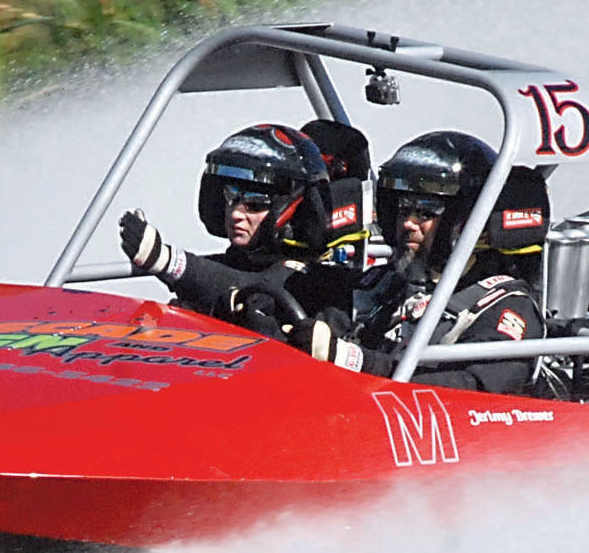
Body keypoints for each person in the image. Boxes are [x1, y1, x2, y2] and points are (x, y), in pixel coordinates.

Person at [290, 130, 548, 395]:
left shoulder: (505, 305)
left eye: (425, 212)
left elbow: (475, 391)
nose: (408, 223)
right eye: (403, 209)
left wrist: (357, 361)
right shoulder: (382, 285)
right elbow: (325, 319)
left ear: (464, 220)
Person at [119, 122, 359, 333]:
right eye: (230, 197)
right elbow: (229, 276)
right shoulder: (233, 264)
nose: (235, 214)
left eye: (255, 204)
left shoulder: (320, 279)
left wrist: (168, 261)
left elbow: (262, 287)